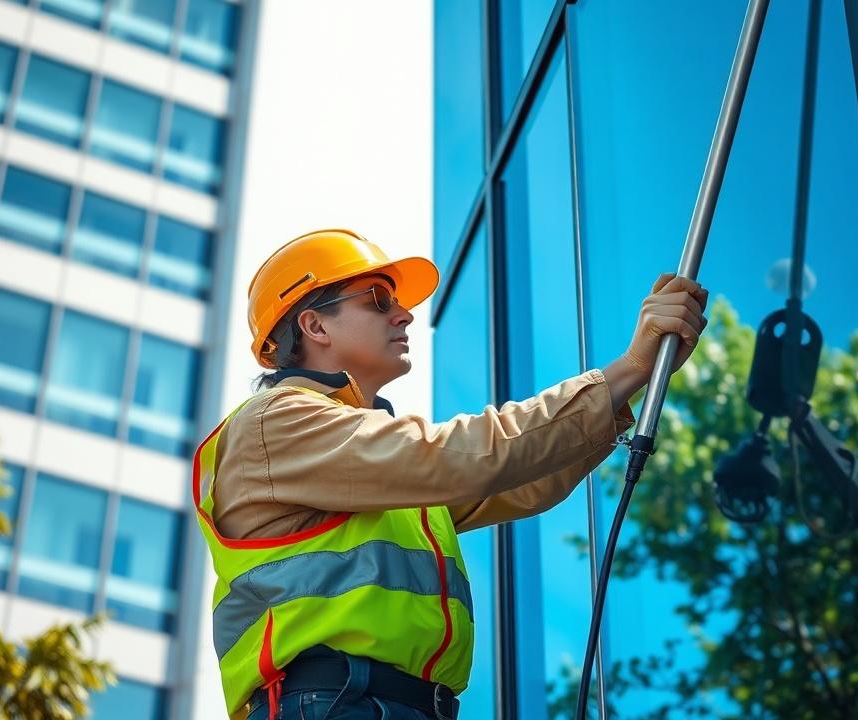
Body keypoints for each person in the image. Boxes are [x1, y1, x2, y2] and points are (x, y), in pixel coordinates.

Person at [193, 228, 709, 720]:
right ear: (315, 325)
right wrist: (629, 369)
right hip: (331, 701)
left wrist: (631, 384)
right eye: (377, 299)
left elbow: (515, 478)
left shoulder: (371, 460)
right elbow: (470, 454)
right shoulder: (276, 422)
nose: (404, 315)